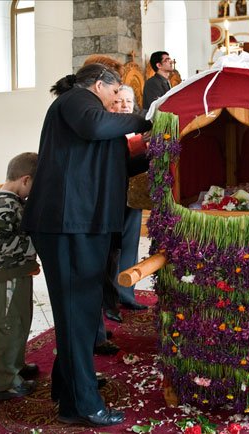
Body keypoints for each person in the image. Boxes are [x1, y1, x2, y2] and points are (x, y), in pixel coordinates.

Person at [22, 63, 151, 427]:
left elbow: (117, 166)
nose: (116, 105)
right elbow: (97, 126)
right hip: (67, 224)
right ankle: (83, 404)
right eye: (114, 96)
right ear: (99, 86)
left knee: (77, 312)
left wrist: (160, 149)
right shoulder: (76, 101)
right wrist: (146, 121)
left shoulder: (91, 117)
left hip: (81, 223)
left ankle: (68, 390)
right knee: (77, 312)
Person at [0, 152, 40, 401]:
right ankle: (4, 382)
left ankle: (16, 365)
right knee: (7, 326)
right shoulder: (6, 203)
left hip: (16, 271)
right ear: (25, 180)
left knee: (20, 321)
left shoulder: (3, 198)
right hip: (6, 276)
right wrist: (35, 247)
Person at [107, 85, 149, 312]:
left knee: (130, 246)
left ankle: (126, 293)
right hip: (111, 198)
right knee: (111, 251)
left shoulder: (135, 132)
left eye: (129, 102)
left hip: (134, 196)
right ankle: (110, 300)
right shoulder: (106, 130)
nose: (124, 106)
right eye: (119, 101)